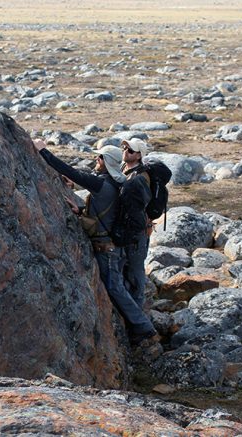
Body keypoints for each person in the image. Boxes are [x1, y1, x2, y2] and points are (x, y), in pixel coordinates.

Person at [33, 139, 157, 345]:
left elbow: (69, 171)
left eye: (99, 157)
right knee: (120, 285)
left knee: (115, 287)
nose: (96, 160)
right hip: (115, 246)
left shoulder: (101, 183)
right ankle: (136, 324)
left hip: (106, 248)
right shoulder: (119, 182)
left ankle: (143, 326)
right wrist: (82, 210)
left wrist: (43, 151)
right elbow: (108, 210)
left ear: (105, 160)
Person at [119, 138, 153, 310]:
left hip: (137, 232)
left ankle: (138, 311)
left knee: (136, 271)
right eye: (124, 148)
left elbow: (140, 208)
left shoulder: (141, 177)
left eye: (130, 150)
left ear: (139, 155)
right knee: (125, 269)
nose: (125, 151)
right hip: (125, 229)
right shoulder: (124, 169)